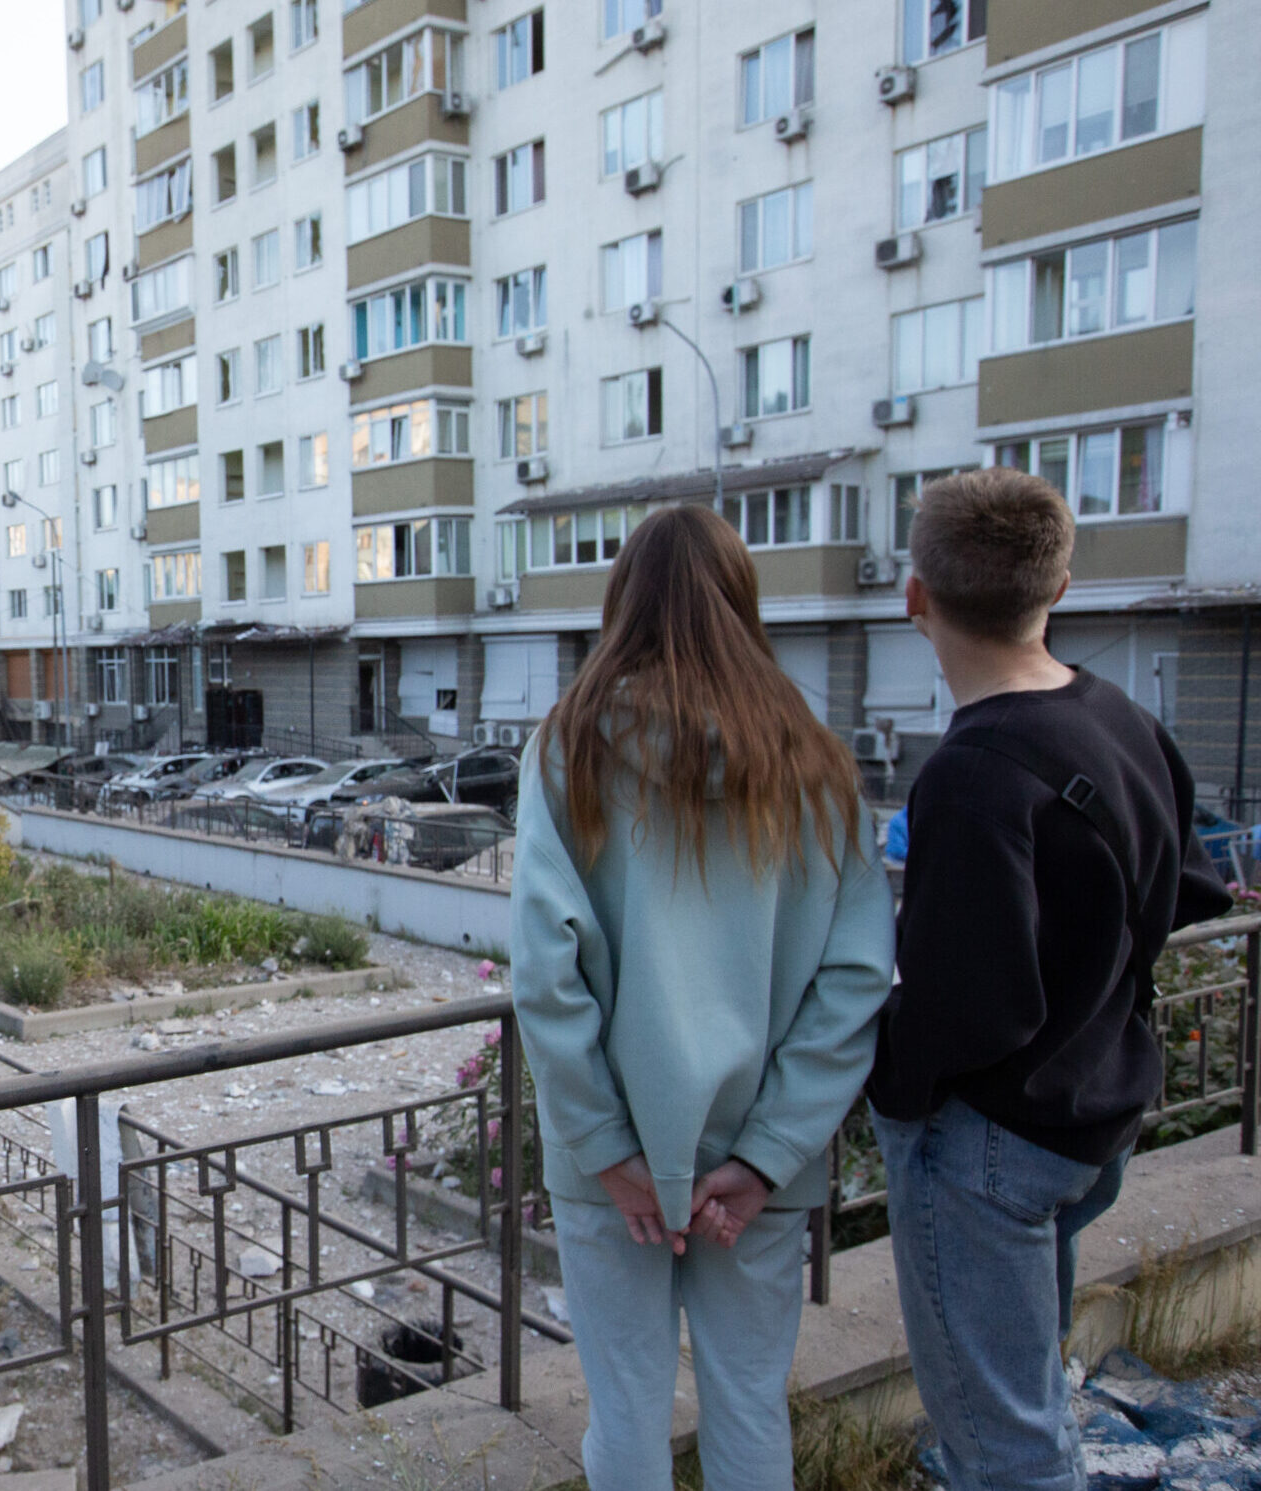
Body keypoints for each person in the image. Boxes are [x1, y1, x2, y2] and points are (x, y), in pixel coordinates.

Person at [511, 505, 892, 1491]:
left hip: (612, 1172)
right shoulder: (814, 765)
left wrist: (610, 1151)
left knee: (625, 1417)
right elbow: (853, 981)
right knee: (748, 1408)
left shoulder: (569, 751)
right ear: (742, 602)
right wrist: (766, 1155)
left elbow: (545, 979)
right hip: (756, 1175)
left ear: (620, 601)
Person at [869, 470, 1231, 1491]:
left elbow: (970, 1004)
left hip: (993, 1145)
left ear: (914, 598)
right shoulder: (1116, 717)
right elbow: (1189, 887)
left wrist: (885, 1071)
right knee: (1033, 1400)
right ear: (1059, 587)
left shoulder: (974, 770)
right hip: (1092, 1114)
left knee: (1004, 1450)